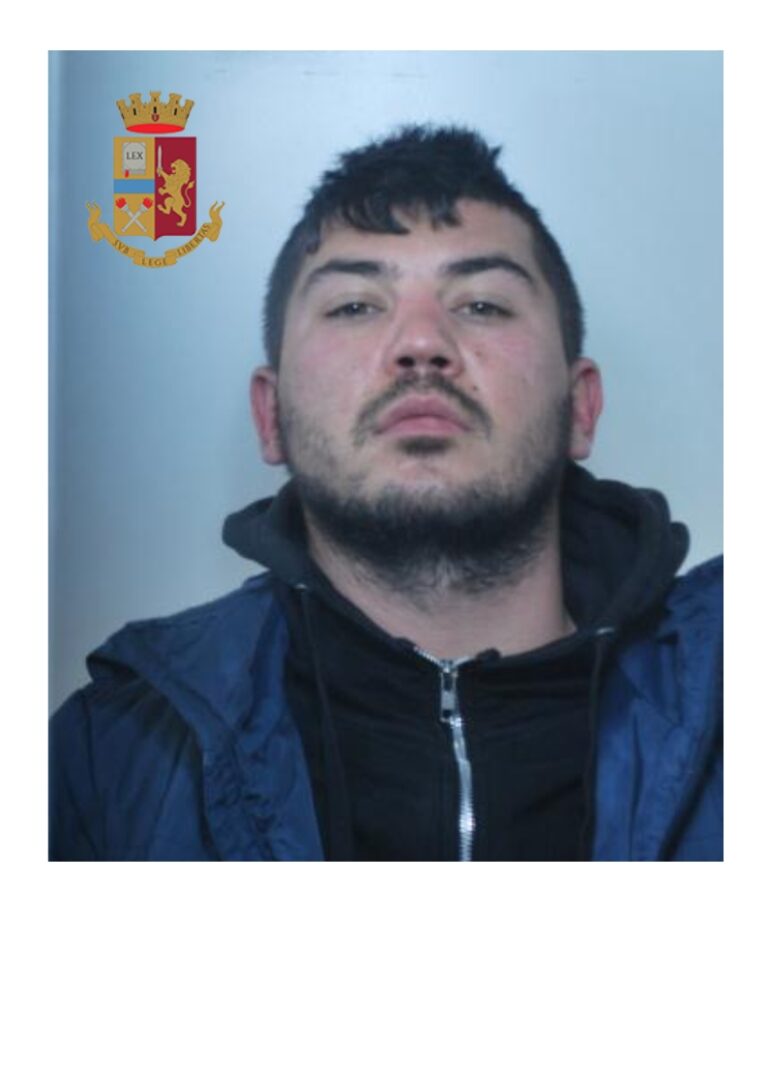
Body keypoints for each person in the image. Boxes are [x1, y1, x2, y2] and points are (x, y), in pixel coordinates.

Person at [49, 125, 723, 862]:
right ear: (271, 417)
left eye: (482, 304)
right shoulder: (105, 761)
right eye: (354, 306)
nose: (421, 343)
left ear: (581, 408)